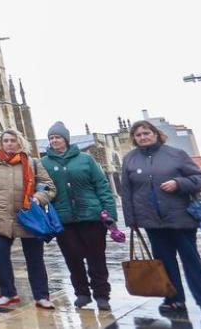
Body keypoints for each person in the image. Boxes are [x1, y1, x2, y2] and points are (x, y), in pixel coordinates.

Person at [119, 119, 201, 321]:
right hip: (152, 223)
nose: (143, 137)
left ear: (155, 134)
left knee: (192, 262)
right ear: (134, 138)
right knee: (165, 264)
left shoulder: (175, 154)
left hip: (180, 219)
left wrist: (178, 183)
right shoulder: (129, 159)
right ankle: (174, 300)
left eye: (146, 133)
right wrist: (131, 220)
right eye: (138, 135)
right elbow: (126, 192)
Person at [0, 129, 56, 310]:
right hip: (0, 217)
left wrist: (38, 198)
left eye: (12, 140)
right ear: (1, 144)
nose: (9, 143)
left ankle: (41, 296)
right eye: (5, 141)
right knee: (0, 257)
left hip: (28, 217)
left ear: (20, 142)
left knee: (35, 260)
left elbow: (49, 187)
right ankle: (8, 293)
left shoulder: (32, 163)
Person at [42, 122, 115, 311]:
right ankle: (82, 293)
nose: (54, 140)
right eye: (51, 138)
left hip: (91, 216)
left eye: (57, 137)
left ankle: (102, 295)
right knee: (72, 258)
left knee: (96, 258)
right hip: (64, 220)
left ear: (65, 139)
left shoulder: (85, 159)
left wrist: (110, 214)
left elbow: (102, 186)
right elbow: (42, 188)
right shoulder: (45, 163)